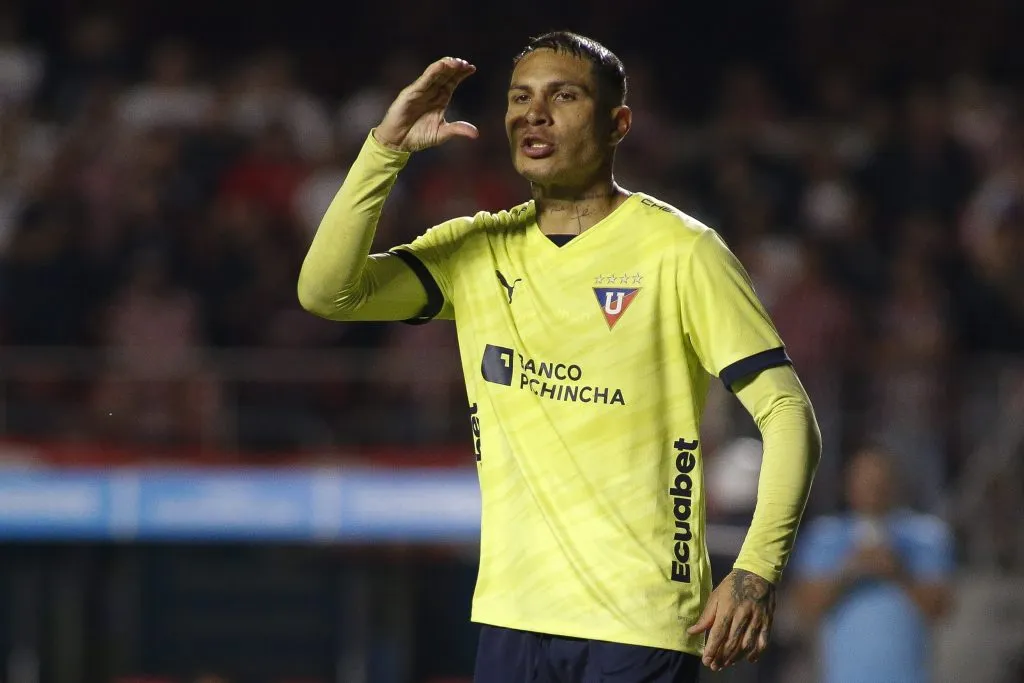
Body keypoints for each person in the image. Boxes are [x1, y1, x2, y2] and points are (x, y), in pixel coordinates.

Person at [299, 31, 822, 683]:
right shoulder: (478, 249)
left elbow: (788, 412)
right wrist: (384, 152)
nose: (532, 112)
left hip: (639, 623)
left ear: (617, 123)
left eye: (562, 95)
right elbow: (327, 292)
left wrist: (757, 568)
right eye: (519, 97)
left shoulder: (682, 252)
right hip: (512, 618)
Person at [790, 447, 955, 683]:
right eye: (865, 480)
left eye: (880, 481)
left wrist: (898, 572)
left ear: (896, 482)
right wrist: (849, 571)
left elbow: (940, 609)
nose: (873, 489)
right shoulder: (825, 536)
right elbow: (806, 610)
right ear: (847, 484)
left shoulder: (926, 535)